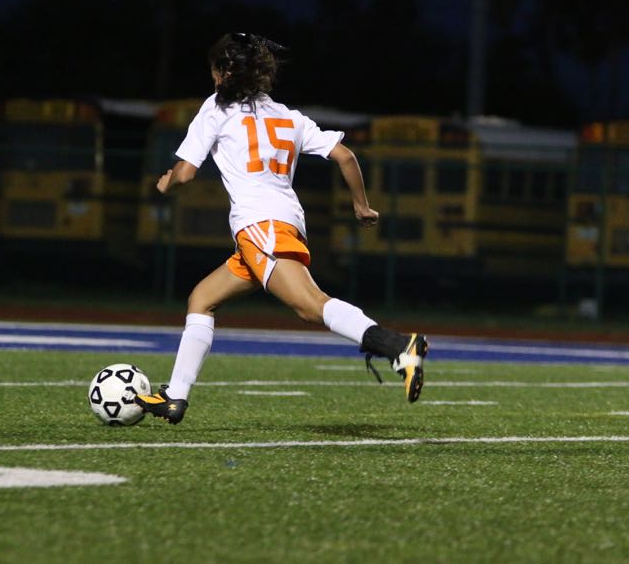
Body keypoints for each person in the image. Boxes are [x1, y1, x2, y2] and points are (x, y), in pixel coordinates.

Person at [135, 33, 428, 424]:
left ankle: (397, 346)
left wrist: (165, 181)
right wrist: (361, 205)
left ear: (223, 73)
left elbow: (185, 173)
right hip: (281, 223)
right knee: (202, 299)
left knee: (310, 306)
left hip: (259, 225)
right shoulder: (289, 117)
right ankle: (174, 397)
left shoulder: (215, 109)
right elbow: (345, 155)